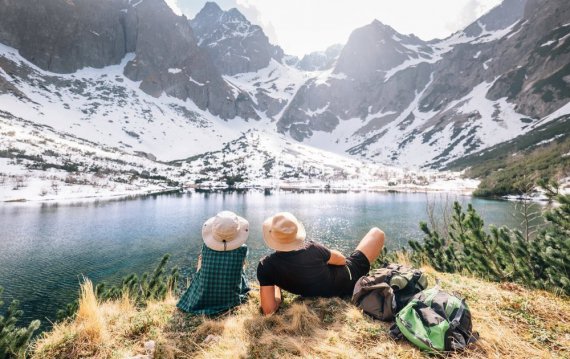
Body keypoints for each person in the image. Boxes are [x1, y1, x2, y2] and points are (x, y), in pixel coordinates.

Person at [257, 212, 385, 315]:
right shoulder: (312, 249)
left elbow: (269, 310)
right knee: (377, 233)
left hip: (320, 291)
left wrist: (276, 287)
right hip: (349, 280)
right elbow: (342, 260)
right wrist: (325, 256)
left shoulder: (266, 267)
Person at [177, 211, 250, 315]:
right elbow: (242, 267)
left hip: (203, 298)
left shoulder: (206, 246)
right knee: (240, 266)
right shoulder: (242, 248)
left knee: (201, 259)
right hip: (231, 298)